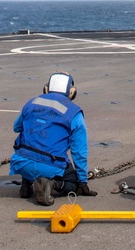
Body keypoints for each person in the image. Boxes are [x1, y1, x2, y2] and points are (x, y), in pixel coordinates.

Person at [10, 72, 97, 205]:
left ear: (46, 88)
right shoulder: (74, 112)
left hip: (20, 163)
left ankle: (26, 185)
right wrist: (82, 181)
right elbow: (79, 152)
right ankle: (51, 184)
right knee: (72, 183)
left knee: (30, 143)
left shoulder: (32, 102)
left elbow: (16, 127)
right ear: (72, 92)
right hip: (50, 165)